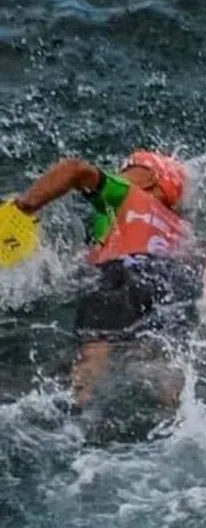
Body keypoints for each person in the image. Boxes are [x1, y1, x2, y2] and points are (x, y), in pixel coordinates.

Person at [9, 149, 194, 405]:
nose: (119, 173)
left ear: (151, 181)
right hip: (169, 284)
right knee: (163, 361)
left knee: (93, 356)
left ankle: (77, 413)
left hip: (123, 271)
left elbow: (74, 169)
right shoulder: (180, 229)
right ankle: (176, 419)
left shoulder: (129, 194)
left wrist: (22, 207)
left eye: (129, 169)